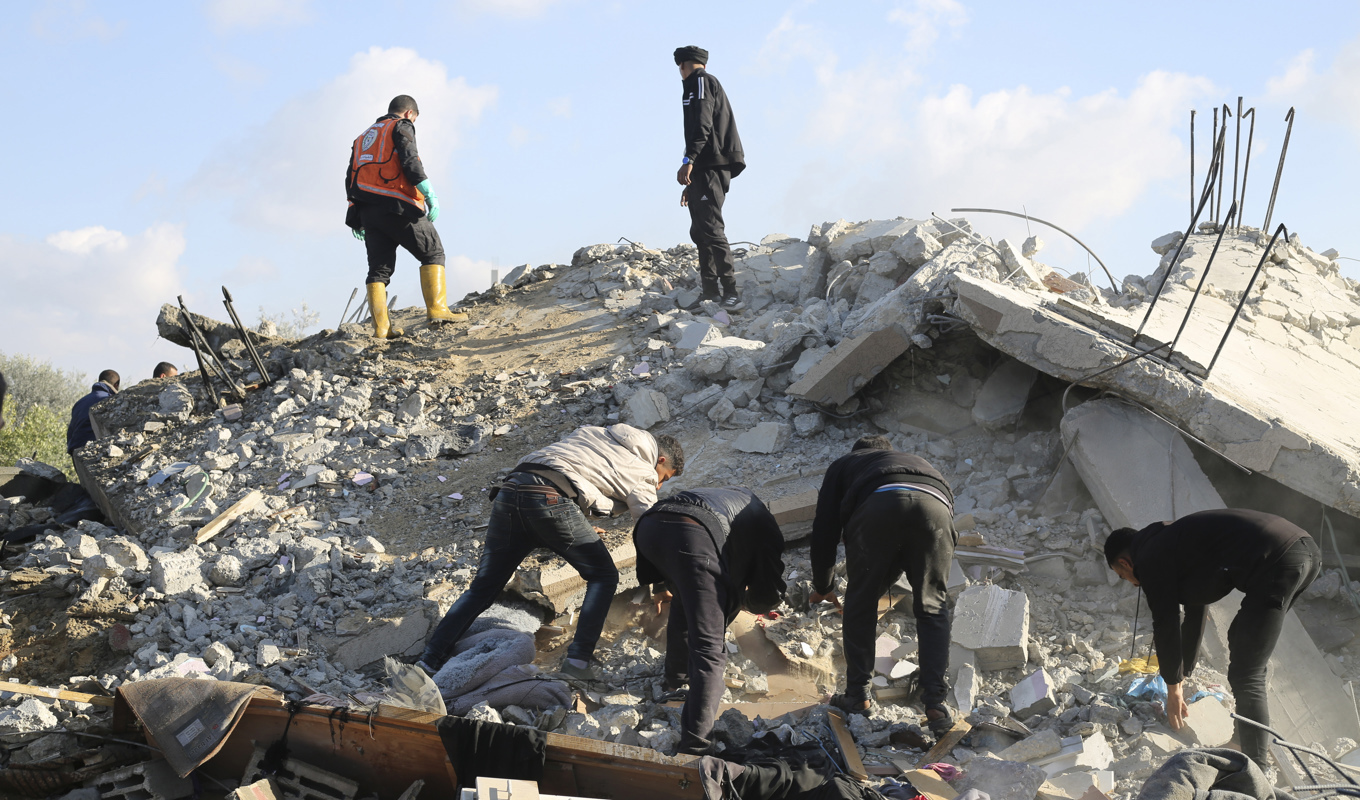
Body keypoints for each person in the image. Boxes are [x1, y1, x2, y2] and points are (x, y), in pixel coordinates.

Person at [420, 425, 685, 680]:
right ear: (660, 460)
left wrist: (578, 522)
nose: (659, 486)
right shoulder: (643, 471)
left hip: (511, 491)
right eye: (664, 477)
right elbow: (649, 529)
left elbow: (574, 472)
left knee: (484, 586)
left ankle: (429, 660)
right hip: (549, 498)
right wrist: (661, 585)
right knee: (604, 576)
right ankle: (577, 663)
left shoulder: (597, 434)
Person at [1104, 509, 1321, 768]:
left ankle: (1254, 767)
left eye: (1122, 576)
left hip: (1278, 559)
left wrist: (1173, 689)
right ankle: (1242, 742)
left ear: (1125, 563)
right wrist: (1183, 673)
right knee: (1241, 639)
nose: (1131, 583)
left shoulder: (1149, 559)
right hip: (1305, 551)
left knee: (1247, 672)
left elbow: (1166, 624)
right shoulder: (1167, 541)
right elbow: (1196, 608)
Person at [809, 435, 958, 737]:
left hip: (880, 505)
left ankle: (858, 696)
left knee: (860, 604)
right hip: (936, 509)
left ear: (859, 452)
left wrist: (824, 585)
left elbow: (824, 530)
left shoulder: (847, 463)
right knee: (932, 606)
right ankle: (935, 703)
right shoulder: (918, 462)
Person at [634, 486, 787, 754]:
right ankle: (696, 746)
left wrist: (661, 584)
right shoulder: (766, 528)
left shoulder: (736, 505)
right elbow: (769, 591)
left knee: (685, 599)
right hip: (691, 535)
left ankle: (675, 680)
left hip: (649, 526)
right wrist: (748, 603)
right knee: (709, 650)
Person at [346, 94, 466, 340]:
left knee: (379, 270)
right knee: (433, 252)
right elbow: (410, 159)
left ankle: (381, 329)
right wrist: (429, 193)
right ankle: (438, 310)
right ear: (410, 113)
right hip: (397, 204)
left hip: (368, 211)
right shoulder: (401, 126)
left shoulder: (361, 138)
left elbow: (351, 177)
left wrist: (354, 214)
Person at [674, 45, 746, 311]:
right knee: (700, 230)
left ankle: (731, 293)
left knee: (712, 229)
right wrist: (692, 176)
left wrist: (688, 161)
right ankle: (710, 294)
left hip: (713, 164)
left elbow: (703, 125)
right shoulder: (694, 85)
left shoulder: (702, 82)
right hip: (702, 168)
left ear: (682, 65)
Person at [67, 370, 119, 454]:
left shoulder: (79, 402)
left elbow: (71, 431)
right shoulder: (111, 400)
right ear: (116, 385)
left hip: (75, 449)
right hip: (94, 449)